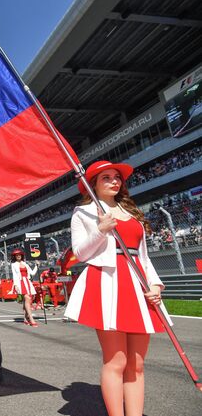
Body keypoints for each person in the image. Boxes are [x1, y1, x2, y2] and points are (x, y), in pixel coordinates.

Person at [64, 161, 172, 416]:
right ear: (94, 184)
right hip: (107, 283)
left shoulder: (131, 213)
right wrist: (101, 230)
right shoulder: (83, 212)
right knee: (116, 361)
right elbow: (79, 253)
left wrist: (156, 283)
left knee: (137, 363)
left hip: (139, 283)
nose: (115, 181)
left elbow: (143, 256)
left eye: (117, 178)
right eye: (106, 178)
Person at [10, 248, 39, 326]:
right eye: (16, 255)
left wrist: (36, 265)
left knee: (27, 301)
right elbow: (14, 275)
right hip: (20, 282)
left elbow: (32, 273)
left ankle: (25, 319)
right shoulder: (13, 265)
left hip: (28, 282)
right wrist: (16, 285)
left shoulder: (26, 264)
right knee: (27, 298)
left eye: (19, 255)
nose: (18, 256)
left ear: (21, 256)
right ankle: (31, 319)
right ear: (14, 257)